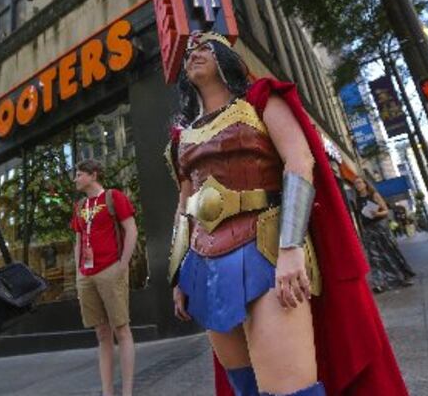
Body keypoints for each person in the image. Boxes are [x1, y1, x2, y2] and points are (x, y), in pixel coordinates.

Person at [165, 31, 407, 396]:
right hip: (203, 264)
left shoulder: (261, 98)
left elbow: (299, 162)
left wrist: (292, 247)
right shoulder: (181, 138)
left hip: (266, 245)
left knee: (290, 391)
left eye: (204, 47)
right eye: (188, 53)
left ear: (226, 58)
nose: (193, 55)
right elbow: (185, 206)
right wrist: (178, 275)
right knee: (243, 389)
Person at [71, 159, 138, 396]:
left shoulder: (113, 196)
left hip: (110, 269)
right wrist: (78, 270)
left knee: (121, 329)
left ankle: (127, 391)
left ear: (93, 175)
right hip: (86, 274)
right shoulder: (79, 206)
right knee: (101, 333)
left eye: (79, 174)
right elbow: (78, 240)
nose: (76, 179)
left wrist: (122, 265)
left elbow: (131, 229)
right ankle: (107, 392)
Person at [353, 177, 415, 293]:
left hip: (380, 226)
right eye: (355, 184)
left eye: (360, 182)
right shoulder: (357, 199)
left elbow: (386, 211)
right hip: (368, 230)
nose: (358, 185)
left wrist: (377, 213)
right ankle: (379, 283)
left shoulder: (374, 195)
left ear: (365, 184)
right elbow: (360, 217)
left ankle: (403, 276)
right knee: (374, 256)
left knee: (390, 251)